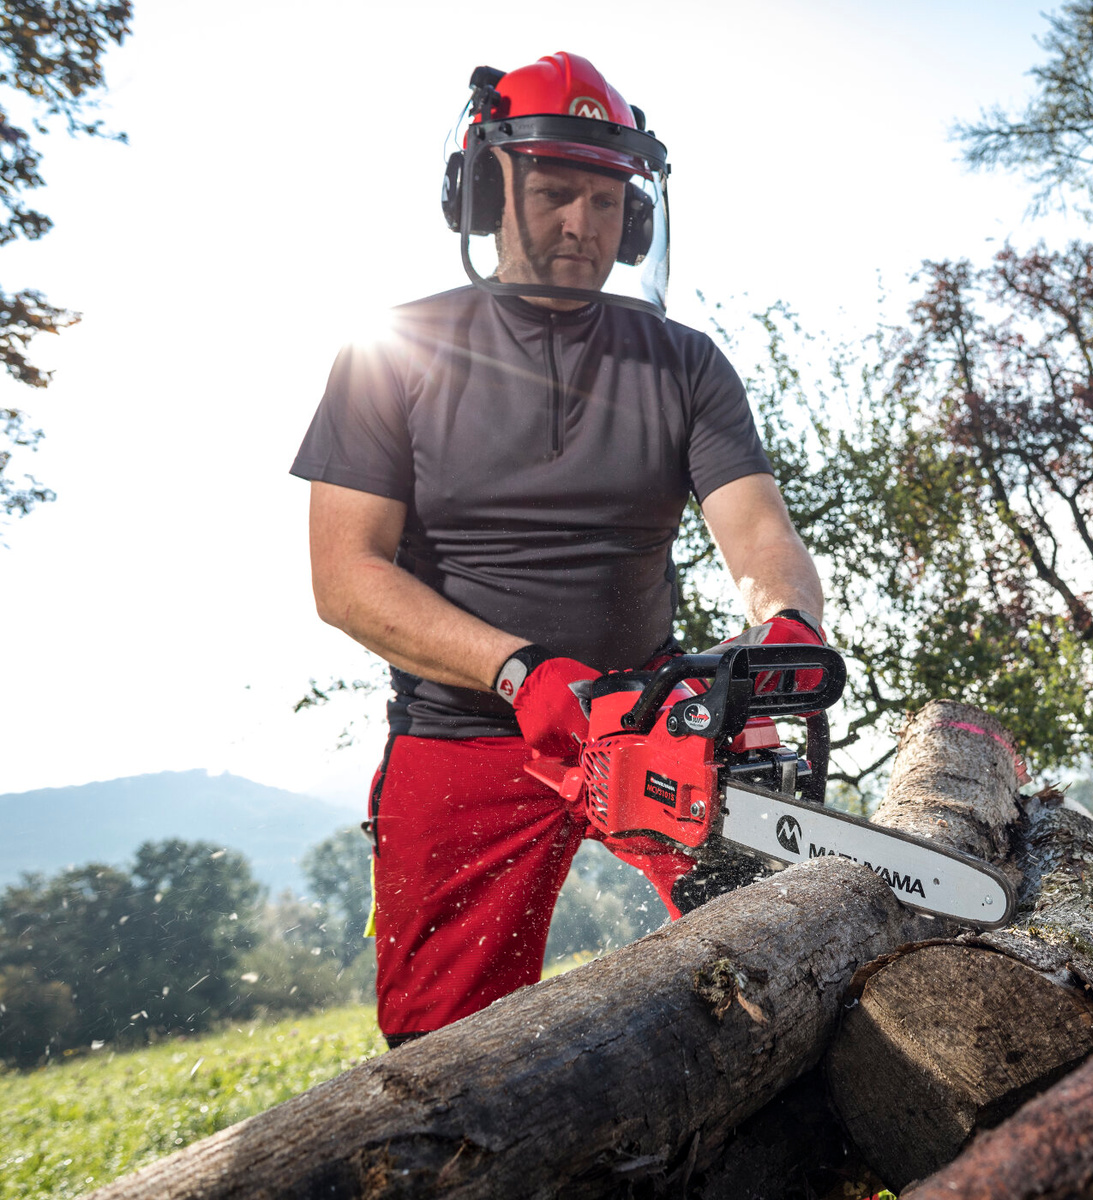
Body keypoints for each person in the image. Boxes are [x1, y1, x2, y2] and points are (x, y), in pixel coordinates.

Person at [290, 52, 827, 1046]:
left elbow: (755, 527)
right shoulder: (388, 353)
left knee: (791, 962)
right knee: (444, 1049)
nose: (585, 223)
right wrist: (519, 672)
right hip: (463, 734)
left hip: (650, 718)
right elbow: (347, 576)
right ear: (483, 191)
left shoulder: (684, 361)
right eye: (554, 192)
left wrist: (785, 617)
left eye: (606, 198)